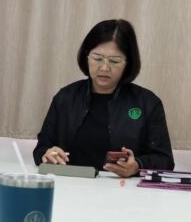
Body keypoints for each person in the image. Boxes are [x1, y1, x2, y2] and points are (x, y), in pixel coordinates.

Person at [33, 19, 174, 177]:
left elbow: (165, 160)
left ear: (128, 63)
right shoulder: (65, 97)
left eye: (114, 61)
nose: (105, 68)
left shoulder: (147, 103)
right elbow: (41, 150)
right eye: (97, 58)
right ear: (86, 56)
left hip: (123, 188)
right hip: (71, 185)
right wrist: (48, 154)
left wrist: (137, 166)